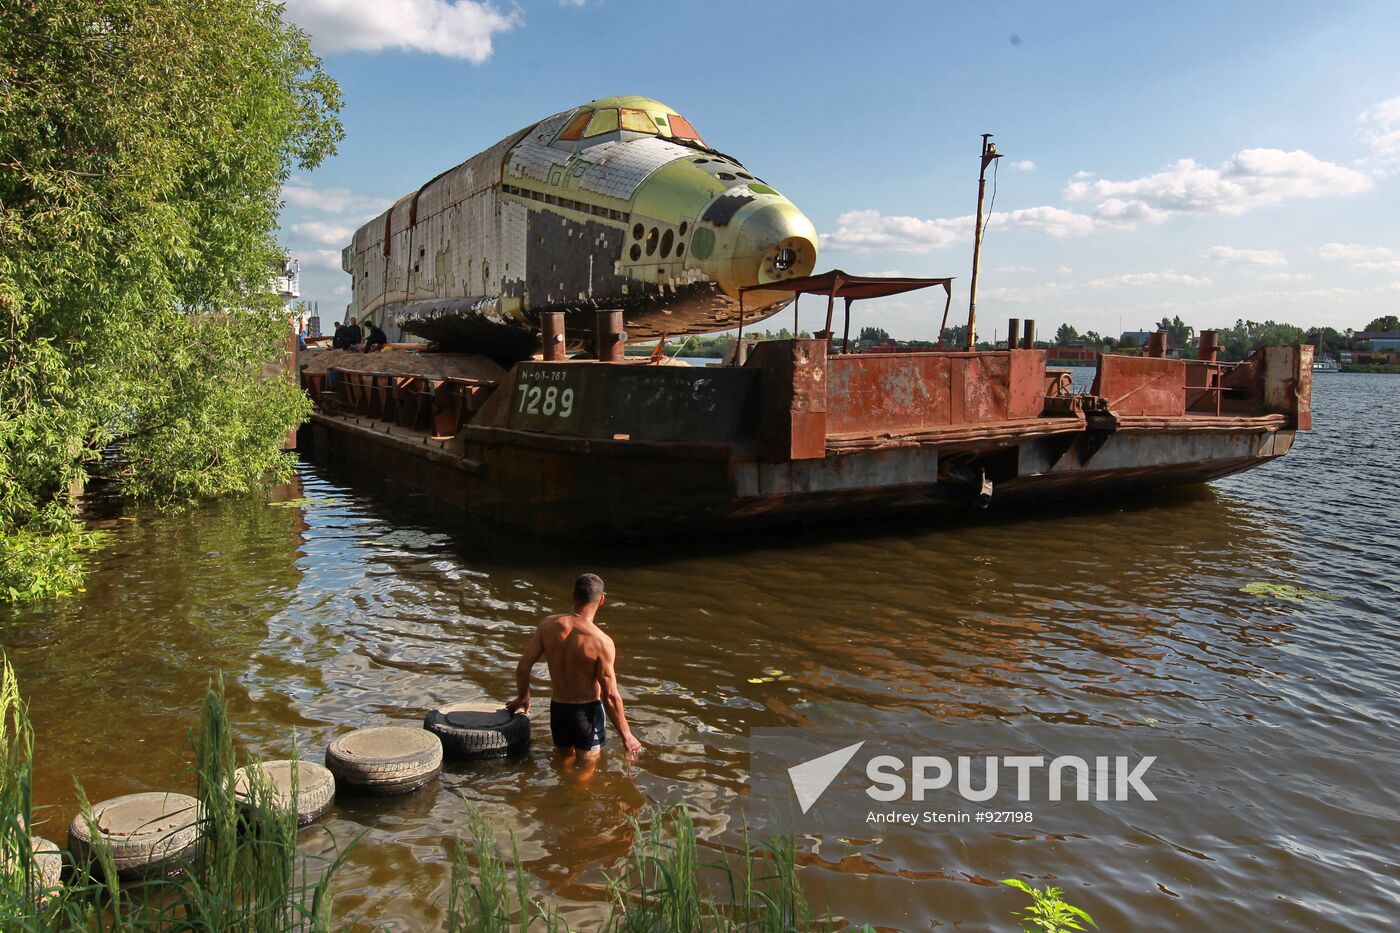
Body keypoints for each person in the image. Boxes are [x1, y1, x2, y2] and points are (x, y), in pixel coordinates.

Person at [506, 573, 642, 756]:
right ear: (601, 600)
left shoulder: (547, 625)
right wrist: (627, 734)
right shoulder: (601, 641)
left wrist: (522, 696)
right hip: (586, 714)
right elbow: (610, 695)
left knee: (562, 764)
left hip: (558, 711)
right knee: (584, 776)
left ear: (573, 595)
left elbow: (523, 667)